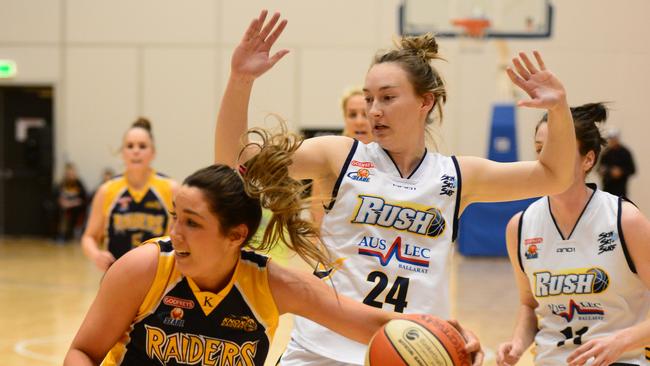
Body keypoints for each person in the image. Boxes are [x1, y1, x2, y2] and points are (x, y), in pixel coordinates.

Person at [215, 10, 577, 365]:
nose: (373, 110)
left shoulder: (456, 175)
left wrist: (559, 110)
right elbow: (238, 165)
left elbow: (555, 175)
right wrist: (240, 79)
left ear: (425, 101)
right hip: (322, 350)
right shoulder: (339, 155)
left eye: (387, 98)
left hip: (415, 351)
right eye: (369, 98)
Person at [63, 128, 438, 366]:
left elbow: (366, 321)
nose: (175, 232)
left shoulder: (270, 284)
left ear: (236, 236)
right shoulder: (142, 269)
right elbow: (83, 352)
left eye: (192, 223)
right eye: (176, 216)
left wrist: (442, 330)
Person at [496, 103, 650, 366]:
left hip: (620, 361)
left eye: (556, 149)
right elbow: (529, 305)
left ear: (587, 159)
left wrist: (621, 341)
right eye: (539, 149)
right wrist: (518, 343)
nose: (545, 158)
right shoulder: (520, 227)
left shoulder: (626, 220)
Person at [81, 117, 177, 271]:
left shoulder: (170, 188)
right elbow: (88, 237)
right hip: (116, 275)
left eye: (142, 146)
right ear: (122, 153)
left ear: (153, 153)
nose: (136, 150)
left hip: (157, 276)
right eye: (130, 146)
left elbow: (179, 236)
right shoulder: (107, 190)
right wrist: (96, 255)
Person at [311, 87, 373, 226]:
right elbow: (317, 220)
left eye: (365, 114)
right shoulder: (329, 158)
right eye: (352, 114)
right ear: (345, 118)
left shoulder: (391, 159)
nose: (359, 121)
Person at [598, 127, 636, 198]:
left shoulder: (625, 152)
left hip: (620, 190)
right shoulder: (606, 153)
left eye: (614, 138)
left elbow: (632, 170)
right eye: (610, 138)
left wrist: (621, 172)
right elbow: (599, 168)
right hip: (607, 189)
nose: (612, 141)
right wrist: (602, 171)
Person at [54, 162, 88, 241]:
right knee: (60, 211)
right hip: (64, 207)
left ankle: (74, 233)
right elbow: (57, 197)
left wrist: (72, 203)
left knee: (76, 211)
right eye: (69, 173)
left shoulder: (79, 184)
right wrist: (63, 203)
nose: (71, 175)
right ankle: (61, 234)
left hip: (76, 207)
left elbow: (82, 199)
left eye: (72, 173)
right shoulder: (62, 183)